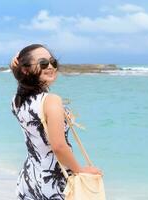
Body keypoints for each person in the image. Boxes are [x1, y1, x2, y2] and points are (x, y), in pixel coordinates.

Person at [10, 44, 103, 200]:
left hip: (29, 179)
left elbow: (24, 82)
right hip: (55, 182)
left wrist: (17, 68)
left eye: (53, 62)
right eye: (43, 63)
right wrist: (80, 170)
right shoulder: (51, 101)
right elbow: (58, 146)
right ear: (25, 69)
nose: (51, 66)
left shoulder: (17, 101)